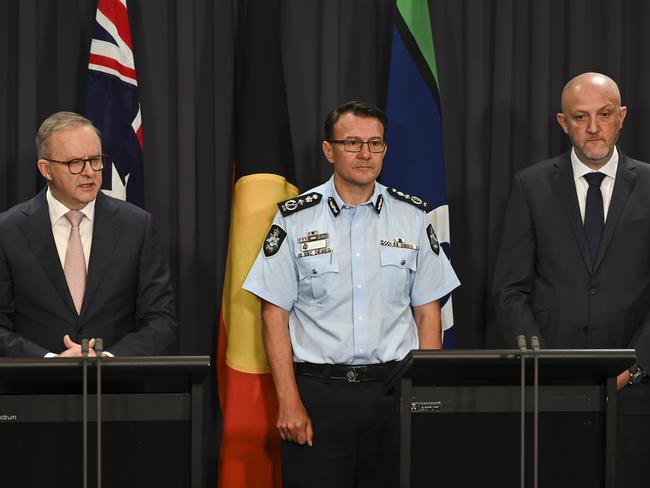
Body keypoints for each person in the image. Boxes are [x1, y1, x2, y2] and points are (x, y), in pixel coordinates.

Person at [243, 101, 460, 487]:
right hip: (319, 396)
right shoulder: (295, 219)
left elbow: (429, 312)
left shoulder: (411, 218)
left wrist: (422, 393)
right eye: (352, 143)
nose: (365, 154)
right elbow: (273, 313)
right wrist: (288, 401)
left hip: (393, 392)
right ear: (329, 150)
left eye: (375, 144)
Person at [492, 72, 650, 487]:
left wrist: (634, 366)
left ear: (622, 117)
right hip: (550, 391)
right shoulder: (531, 185)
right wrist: (543, 362)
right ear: (563, 122)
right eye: (581, 117)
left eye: (604, 114)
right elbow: (510, 288)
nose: (593, 128)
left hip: (635, 391)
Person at [0, 111, 177, 357]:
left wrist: (106, 359)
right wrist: (47, 362)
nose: (89, 172)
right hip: (35, 391)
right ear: (46, 169)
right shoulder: (8, 230)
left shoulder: (136, 226)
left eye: (95, 159)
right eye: (75, 163)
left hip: (114, 390)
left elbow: (161, 320)